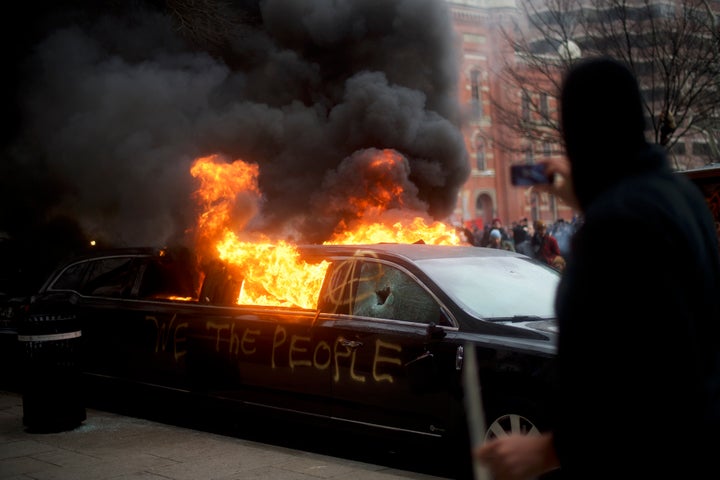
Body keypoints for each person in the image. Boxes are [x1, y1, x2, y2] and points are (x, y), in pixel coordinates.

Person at [475, 57, 720, 479]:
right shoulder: (683, 196)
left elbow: (621, 369)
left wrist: (546, 450)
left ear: (578, 135)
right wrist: (591, 196)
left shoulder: (615, 225)